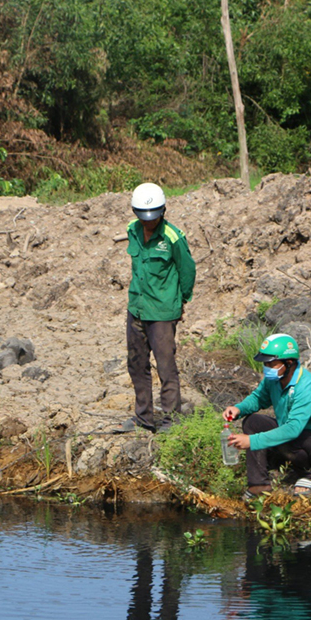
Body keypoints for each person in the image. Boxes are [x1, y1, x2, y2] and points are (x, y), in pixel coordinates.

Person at [116, 182, 195, 433]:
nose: (148, 222)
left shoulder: (173, 237)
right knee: (137, 364)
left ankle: (172, 419)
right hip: (136, 308)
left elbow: (187, 270)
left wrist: (181, 301)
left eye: (153, 216)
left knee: (165, 366)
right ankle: (143, 418)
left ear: (163, 211)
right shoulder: (132, 230)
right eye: (143, 216)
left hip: (162, 312)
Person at [224, 333, 311, 497]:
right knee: (253, 422)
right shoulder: (274, 378)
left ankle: (309, 474)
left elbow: (293, 429)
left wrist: (252, 441)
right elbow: (258, 398)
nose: (267, 367)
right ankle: (259, 484)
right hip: (295, 436)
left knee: (290, 435)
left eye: (271, 363)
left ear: (289, 362)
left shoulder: (306, 386)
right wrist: (239, 409)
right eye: (265, 363)